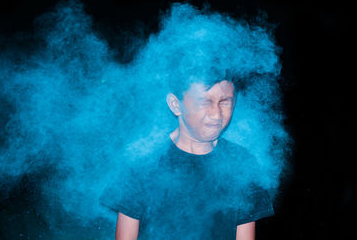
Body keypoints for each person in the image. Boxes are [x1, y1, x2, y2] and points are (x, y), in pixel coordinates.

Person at [99, 77, 274, 239]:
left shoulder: (242, 162)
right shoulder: (142, 161)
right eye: (204, 101)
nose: (216, 114)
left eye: (225, 102)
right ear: (176, 104)